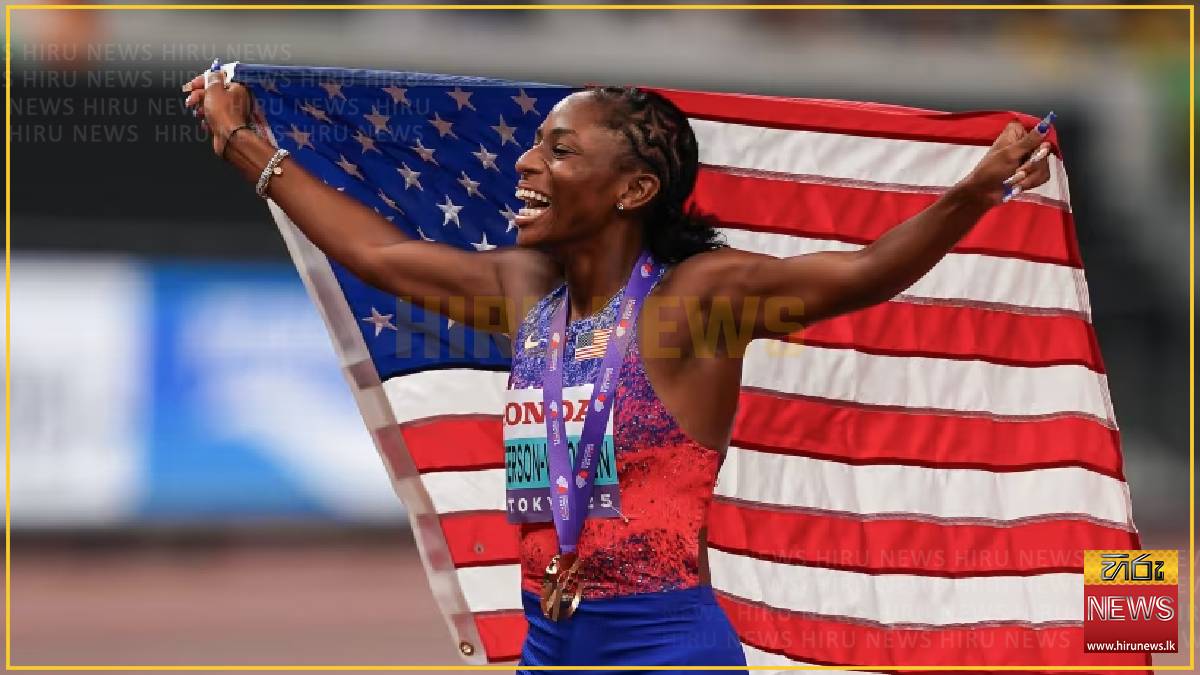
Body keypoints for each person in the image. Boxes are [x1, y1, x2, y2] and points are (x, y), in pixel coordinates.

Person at [184, 69, 1053, 673]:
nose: (525, 165)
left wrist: (972, 192)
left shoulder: (697, 301)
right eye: (536, 145)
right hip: (549, 648)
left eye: (559, 151)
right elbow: (384, 255)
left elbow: (861, 275)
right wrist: (249, 152)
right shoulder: (526, 292)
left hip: (665, 650)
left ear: (633, 190)